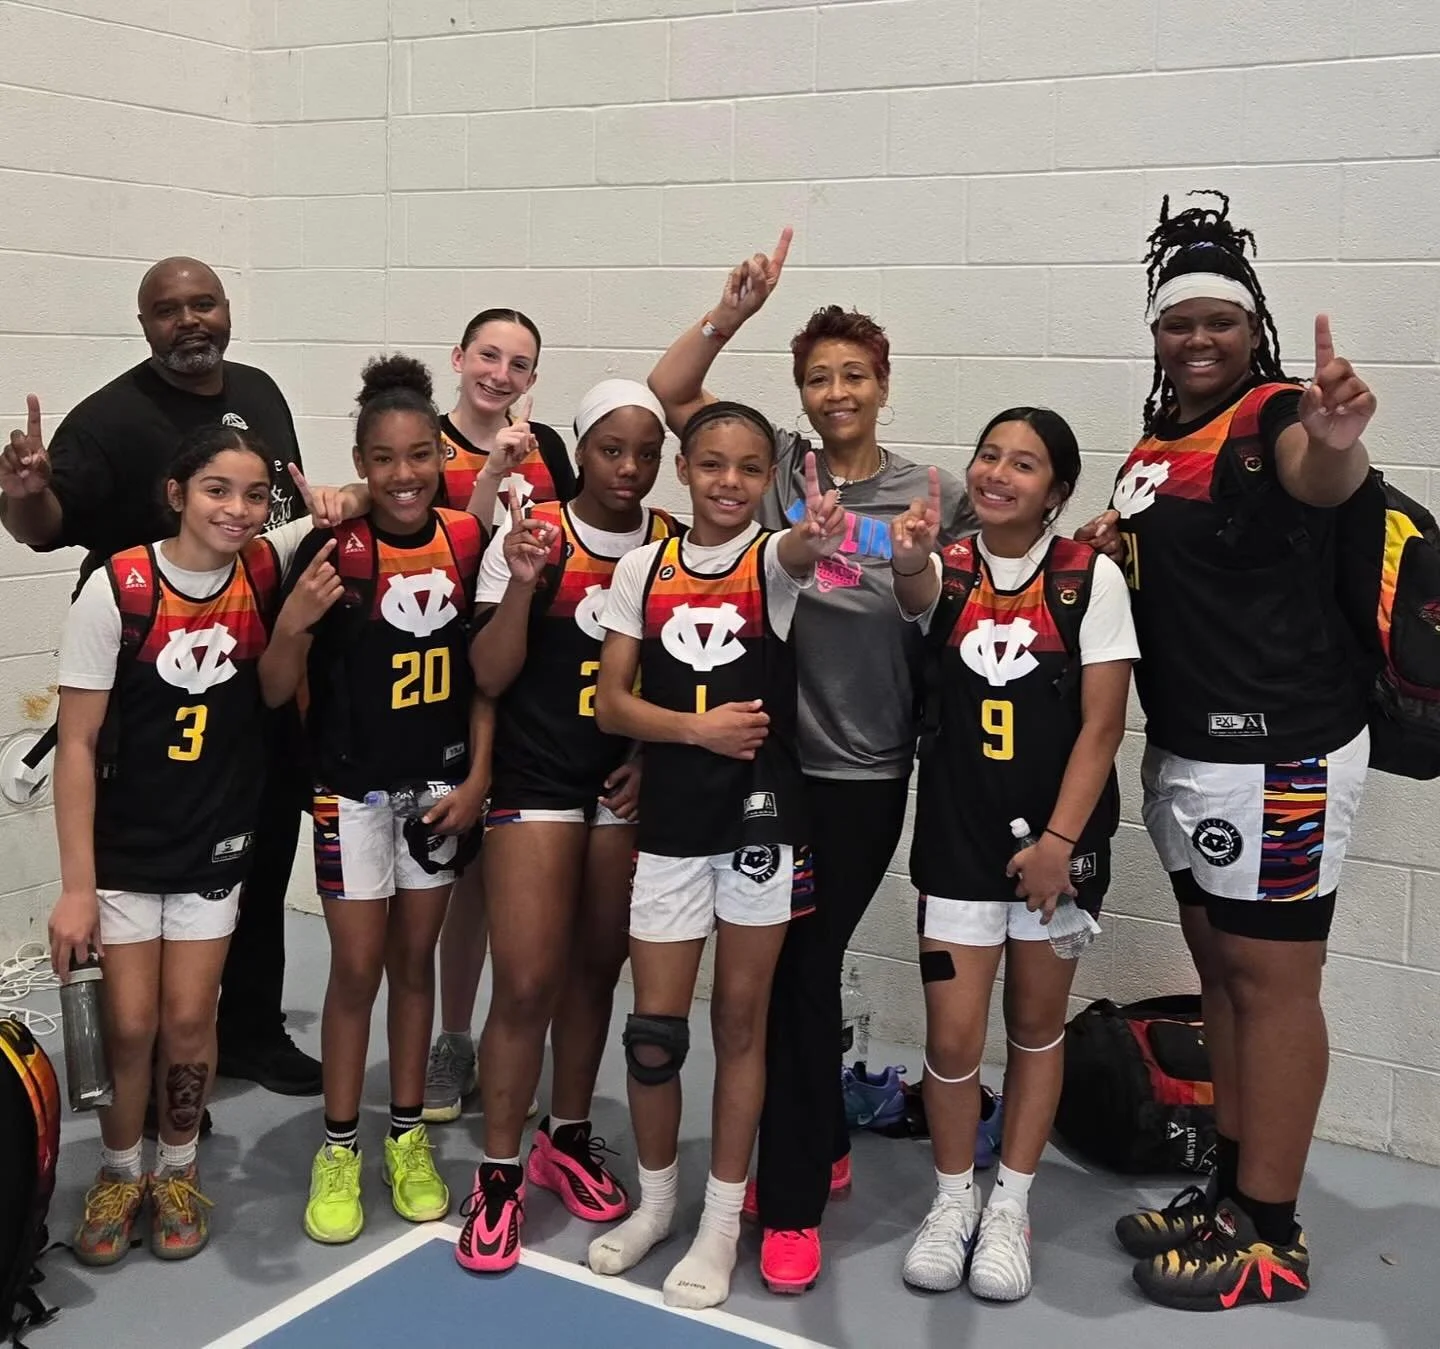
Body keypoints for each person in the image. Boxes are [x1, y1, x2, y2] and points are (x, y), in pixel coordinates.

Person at [646, 230, 973, 1293]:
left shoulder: (930, 487)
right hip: (772, 768)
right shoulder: (775, 467)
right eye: (820, 376)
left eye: (855, 375)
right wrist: (732, 312)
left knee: (803, 967)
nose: (838, 391)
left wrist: (1093, 536)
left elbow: (993, 547)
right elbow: (670, 392)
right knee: (795, 974)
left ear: (883, 384)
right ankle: (805, 1168)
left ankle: (797, 1175)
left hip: (867, 770)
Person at [1079, 192, 1377, 1311]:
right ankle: (1233, 1188)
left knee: (1275, 984)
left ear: (1253, 328)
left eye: (1219, 320)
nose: (1197, 338)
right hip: (1193, 752)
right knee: (1223, 982)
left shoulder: (1275, 415)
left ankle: (1272, 1234)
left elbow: (1318, 473)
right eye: (1178, 322)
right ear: (1157, 333)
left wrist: (1336, 435)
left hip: (1282, 754)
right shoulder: (1160, 440)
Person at [2, 256, 320, 1098]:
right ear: (144, 323)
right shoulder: (107, 419)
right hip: (149, 691)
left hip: (249, 665)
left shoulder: (261, 391)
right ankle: (143, 1066)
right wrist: (25, 493)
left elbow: (290, 513)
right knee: (143, 877)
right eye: (168, 310)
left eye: (202, 303)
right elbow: (43, 524)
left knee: (257, 856)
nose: (189, 321)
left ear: (226, 309)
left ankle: (247, 1030)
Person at [580, 401, 842, 1311]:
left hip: (762, 821)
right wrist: (695, 730)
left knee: (740, 1022)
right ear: (683, 469)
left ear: (767, 478)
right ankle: (657, 1205)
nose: (729, 482)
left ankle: (722, 1223)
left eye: (748, 467)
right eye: (713, 464)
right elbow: (611, 704)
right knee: (654, 1034)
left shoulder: (770, 560)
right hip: (672, 823)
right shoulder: (642, 568)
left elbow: (803, 552)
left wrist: (818, 531)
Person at [45, 424, 326, 1265]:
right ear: (177, 493)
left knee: (189, 1019)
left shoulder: (264, 569)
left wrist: (296, 623)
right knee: (130, 1025)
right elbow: (76, 745)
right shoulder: (119, 586)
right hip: (126, 845)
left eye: (253, 494)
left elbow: (275, 689)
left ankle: (176, 1168)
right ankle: (118, 1170)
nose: (237, 508)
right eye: (216, 489)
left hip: (215, 839)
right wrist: (76, 887)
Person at [891, 409, 1136, 1301]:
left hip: (1058, 853)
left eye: (1024, 464)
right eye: (989, 456)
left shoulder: (1088, 577)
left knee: (1036, 1026)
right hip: (956, 842)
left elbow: (1103, 726)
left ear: (1057, 490)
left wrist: (1059, 844)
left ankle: (1011, 1207)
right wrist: (909, 554)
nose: (999, 473)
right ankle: (952, 1198)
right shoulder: (949, 565)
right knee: (952, 1036)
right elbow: (913, 594)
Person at [258, 355, 490, 1245]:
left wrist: (476, 778)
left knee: (414, 963)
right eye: (383, 458)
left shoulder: (466, 540)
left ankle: (406, 1137)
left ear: (441, 457)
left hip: (437, 787)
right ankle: (339, 1145)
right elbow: (275, 686)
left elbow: (486, 678)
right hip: (349, 790)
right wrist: (292, 622)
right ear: (360, 462)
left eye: (419, 454)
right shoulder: (328, 547)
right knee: (356, 969)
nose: (403, 473)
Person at [454, 379, 678, 1274]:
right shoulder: (532, 531)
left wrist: (651, 757)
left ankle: (567, 1136)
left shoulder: (672, 543)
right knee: (526, 980)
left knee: (595, 971)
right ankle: (499, 1173)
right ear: (578, 449)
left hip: (620, 785)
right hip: (536, 774)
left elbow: (687, 672)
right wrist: (522, 585)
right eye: (611, 450)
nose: (629, 468)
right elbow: (489, 674)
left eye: (646, 453)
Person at [424, 307, 576, 1125]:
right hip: (451, 664)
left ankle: (508, 1041)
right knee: (465, 877)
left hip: (534, 670)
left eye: (519, 364)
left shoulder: (547, 444)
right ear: (458, 357)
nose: (501, 374)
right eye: (488, 355)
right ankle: (453, 1037)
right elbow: (452, 546)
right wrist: (490, 473)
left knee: (511, 877)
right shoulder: (426, 441)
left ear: (533, 378)